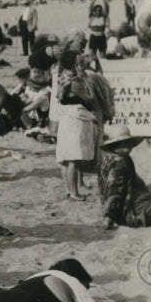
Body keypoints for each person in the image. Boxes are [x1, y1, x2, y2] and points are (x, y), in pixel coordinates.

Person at [55, 49, 97, 200]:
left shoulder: (64, 75)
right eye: (79, 60)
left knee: (66, 156)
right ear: (73, 62)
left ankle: (69, 190)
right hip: (75, 117)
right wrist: (86, 79)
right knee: (73, 157)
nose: (81, 62)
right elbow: (90, 97)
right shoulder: (74, 82)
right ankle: (74, 193)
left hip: (66, 116)